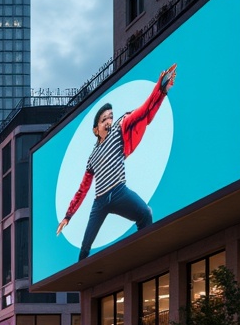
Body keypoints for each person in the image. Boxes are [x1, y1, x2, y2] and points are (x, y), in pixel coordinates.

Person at [56, 64, 176, 260]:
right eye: (104, 119)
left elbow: (144, 112)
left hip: (119, 191)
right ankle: (84, 285)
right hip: (100, 201)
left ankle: (146, 257)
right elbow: (82, 189)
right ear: (96, 129)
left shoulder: (120, 127)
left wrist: (161, 90)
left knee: (145, 213)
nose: (109, 121)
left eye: (110, 117)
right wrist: (68, 216)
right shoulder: (92, 157)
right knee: (85, 248)